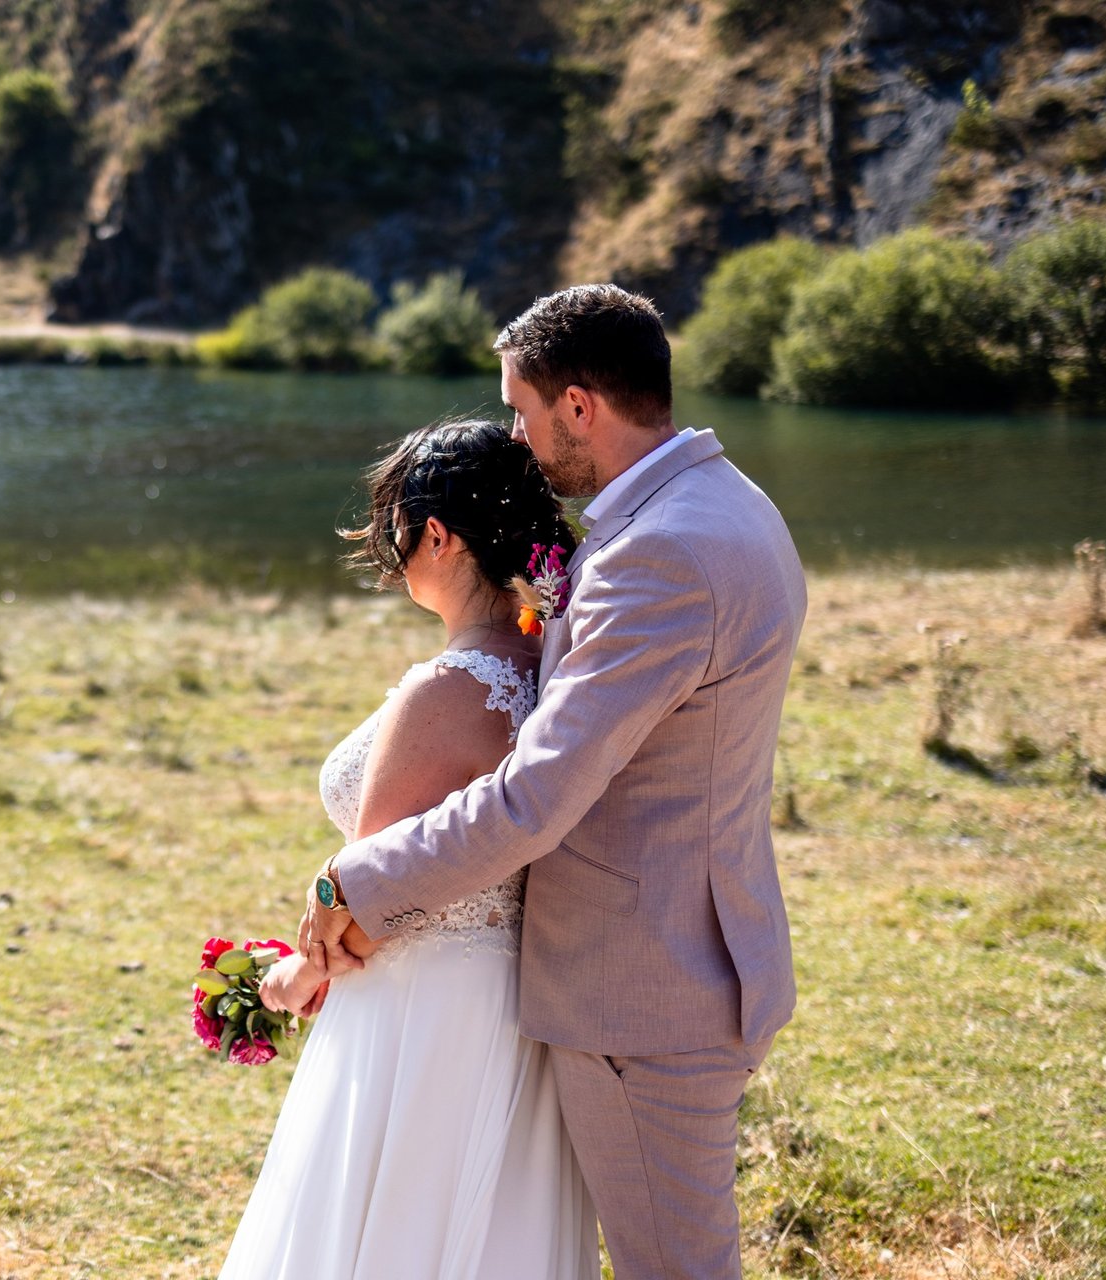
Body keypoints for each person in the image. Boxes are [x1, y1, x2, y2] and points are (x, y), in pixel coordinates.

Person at [294, 285, 807, 1279]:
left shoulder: (663, 551)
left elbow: (536, 794)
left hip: (646, 987)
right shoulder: (724, 501)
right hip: (685, 954)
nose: (517, 441)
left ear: (581, 405)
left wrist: (354, 883)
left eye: (521, 411)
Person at [216, 419, 600, 1280]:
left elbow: (371, 892)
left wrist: (292, 975)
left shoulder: (449, 688)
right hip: (515, 1006)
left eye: (396, 528)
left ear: (436, 533)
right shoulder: (560, 669)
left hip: (420, 1013)